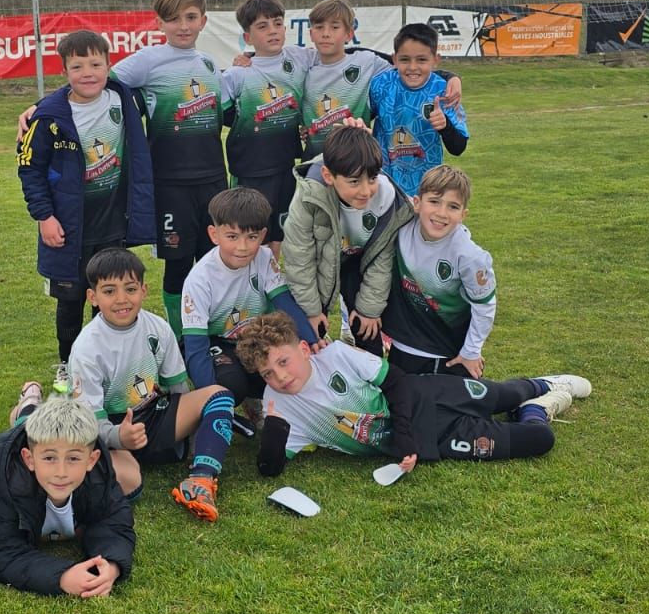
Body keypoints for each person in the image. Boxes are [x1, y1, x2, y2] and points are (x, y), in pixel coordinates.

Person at [234, 313, 591, 475]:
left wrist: (403, 438)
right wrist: (275, 426)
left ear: (304, 349)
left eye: (283, 361)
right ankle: (537, 409)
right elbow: (270, 468)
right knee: (539, 439)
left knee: (504, 394)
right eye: (268, 373)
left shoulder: (335, 356)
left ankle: (540, 386)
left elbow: (397, 382)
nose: (281, 376)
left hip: (427, 395)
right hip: (435, 439)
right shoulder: (279, 405)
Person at [63, 246, 237, 522]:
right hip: (112, 429)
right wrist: (120, 437)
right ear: (92, 297)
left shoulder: (158, 327)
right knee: (131, 485)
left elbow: (178, 389)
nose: (122, 299)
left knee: (219, 396)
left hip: (154, 416)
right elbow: (89, 423)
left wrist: (195, 431)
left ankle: (200, 479)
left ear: (144, 290)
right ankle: (29, 408)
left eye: (130, 289)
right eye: (109, 291)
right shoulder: (87, 348)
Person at [15, 28, 154, 371]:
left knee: (107, 293)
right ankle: (67, 361)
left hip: (112, 223)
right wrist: (44, 217)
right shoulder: (48, 118)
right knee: (71, 299)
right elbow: (30, 171)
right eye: (77, 67)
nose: (88, 73)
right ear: (64, 71)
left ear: (109, 66)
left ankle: (102, 359)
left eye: (95, 64)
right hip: (68, 228)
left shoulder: (124, 98)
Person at [180, 186, 320, 418]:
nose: (242, 247)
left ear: (262, 236)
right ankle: (234, 402)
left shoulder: (264, 257)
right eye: (232, 236)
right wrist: (210, 396)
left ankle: (267, 402)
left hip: (255, 337)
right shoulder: (199, 279)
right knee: (231, 385)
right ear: (214, 234)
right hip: (218, 341)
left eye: (252, 237)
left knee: (290, 366)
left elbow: (284, 303)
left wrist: (312, 342)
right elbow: (195, 344)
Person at [0, 393, 133, 598]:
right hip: (13, 445)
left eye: (73, 458)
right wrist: (62, 577)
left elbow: (115, 522)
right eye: (50, 458)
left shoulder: (100, 475)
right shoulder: (1, 483)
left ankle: (32, 409)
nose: (61, 472)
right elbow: (4, 550)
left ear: (91, 460)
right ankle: (29, 400)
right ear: (29, 459)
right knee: (24, 420)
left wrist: (111, 565)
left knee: (134, 482)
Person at [282, 124, 410, 346]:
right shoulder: (309, 197)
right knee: (309, 337)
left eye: (372, 178)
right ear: (328, 176)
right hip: (318, 263)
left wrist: (369, 310)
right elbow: (299, 258)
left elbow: (381, 257)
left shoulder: (387, 198)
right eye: (354, 181)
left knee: (368, 333)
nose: (366, 191)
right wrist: (312, 311)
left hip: (359, 262)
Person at [301, 0, 461, 163]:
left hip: (355, 159)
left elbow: (408, 66)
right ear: (311, 33)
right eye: (319, 27)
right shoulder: (302, 67)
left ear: (349, 34)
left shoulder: (367, 62)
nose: (326, 34)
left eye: (334, 27)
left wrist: (451, 77)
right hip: (313, 161)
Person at [382, 166, 494, 378]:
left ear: (463, 214)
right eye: (434, 201)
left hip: (448, 351)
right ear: (417, 203)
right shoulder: (402, 227)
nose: (442, 213)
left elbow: (484, 306)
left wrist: (471, 352)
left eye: (453, 206)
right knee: (400, 397)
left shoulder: (471, 257)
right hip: (404, 344)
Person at [222, 0, 311, 253]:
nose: (272, 30)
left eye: (277, 23)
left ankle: (270, 275)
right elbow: (224, 115)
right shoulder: (237, 74)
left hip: (285, 165)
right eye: (262, 26)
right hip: (251, 170)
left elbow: (341, 56)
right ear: (247, 37)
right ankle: (248, 277)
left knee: (278, 232)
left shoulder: (300, 58)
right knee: (249, 231)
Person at [367, 22, 468, 199]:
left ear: (435, 59)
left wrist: (445, 126)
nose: (413, 67)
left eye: (421, 60)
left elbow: (458, 147)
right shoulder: (381, 85)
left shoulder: (444, 91)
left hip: (426, 188)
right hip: (383, 184)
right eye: (405, 59)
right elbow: (363, 118)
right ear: (394, 59)